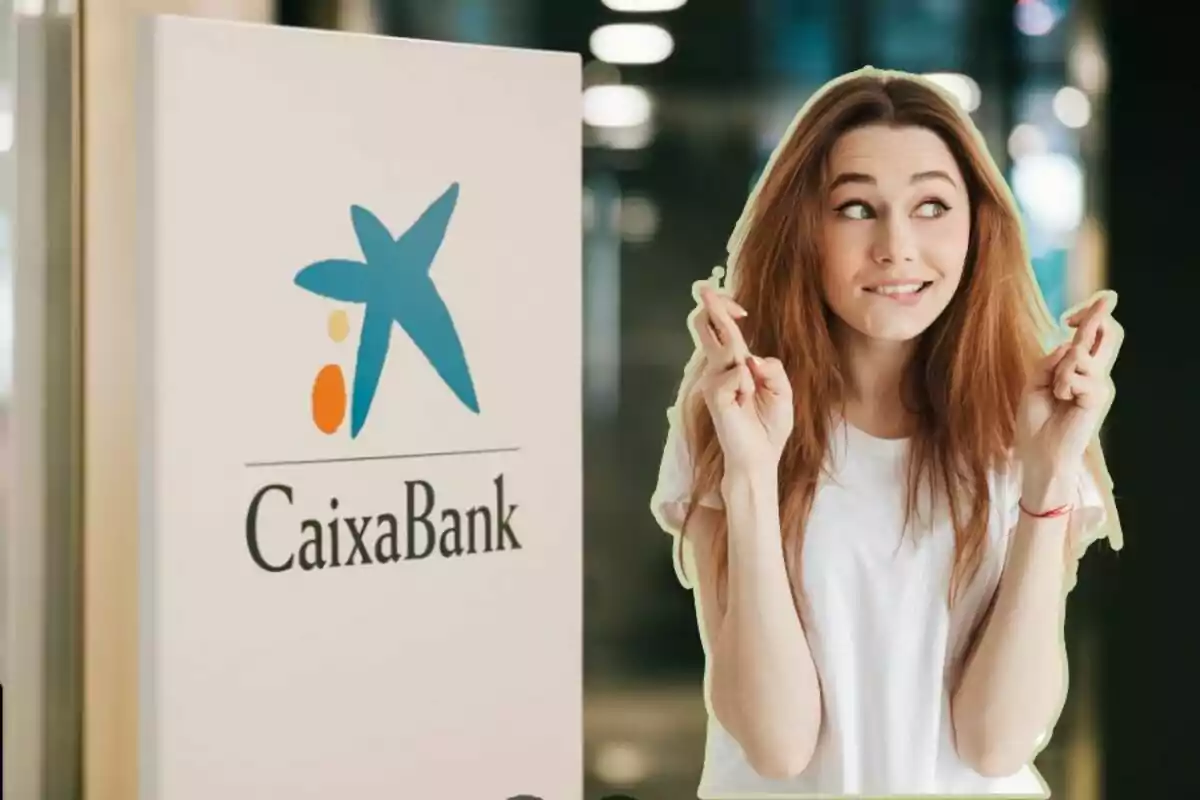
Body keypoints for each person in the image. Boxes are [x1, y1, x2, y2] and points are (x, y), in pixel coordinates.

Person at [649, 67, 1123, 799]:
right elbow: (776, 744)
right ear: (803, 228)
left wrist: (1047, 476)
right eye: (856, 208)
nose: (897, 246)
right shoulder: (733, 415)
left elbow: (998, 742)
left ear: (978, 224)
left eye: (932, 204)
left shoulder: (1028, 421)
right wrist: (749, 476)